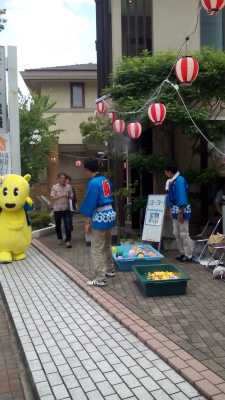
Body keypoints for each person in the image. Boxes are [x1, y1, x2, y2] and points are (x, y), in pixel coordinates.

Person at [79, 158, 116, 286]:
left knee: (96, 249)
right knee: (107, 245)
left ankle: (100, 278)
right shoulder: (106, 180)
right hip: (110, 213)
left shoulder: (94, 182)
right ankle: (110, 270)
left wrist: (87, 221)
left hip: (101, 215)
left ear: (87, 169)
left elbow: (91, 203)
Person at [164, 162, 193, 263]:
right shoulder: (172, 181)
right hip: (176, 207)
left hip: (182, 208)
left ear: (170, 172)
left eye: (166, 172)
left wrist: (181, 212)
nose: (165, 174)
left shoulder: (180, 181)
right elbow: (171, 198)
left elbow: (182, 197)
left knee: (184, 233)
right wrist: (171, 208)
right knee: (176, 232)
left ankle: (188, 255)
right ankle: (182, 253)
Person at [50, 172, 73, 248]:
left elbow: (72, 196)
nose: (63, 179)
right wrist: (61, 196)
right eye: (61, 178)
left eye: (64, 178)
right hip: (57, 209)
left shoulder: (69, 187)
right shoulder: (54, 187)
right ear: (58, 178)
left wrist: (69, 196)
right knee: (58, 225)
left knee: (68, 225)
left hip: (66, 209)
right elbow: (52, 197)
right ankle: (59, 238)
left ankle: (68, 240)